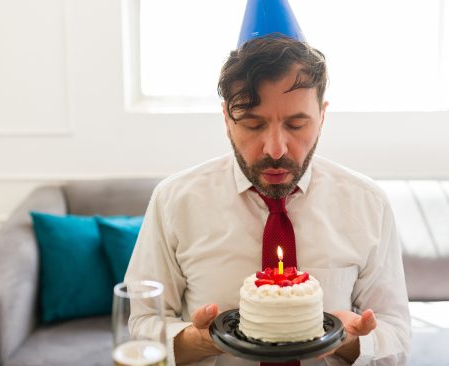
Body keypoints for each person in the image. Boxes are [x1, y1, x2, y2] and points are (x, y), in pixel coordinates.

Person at [125, 34, 411, 366]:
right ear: (226, 121)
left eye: (296, 124)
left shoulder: (368, 204)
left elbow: (398, 340)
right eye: (253, 124)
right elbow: (142, 326)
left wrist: (347, 342)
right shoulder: (174, 201)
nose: (275, 149)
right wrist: (200, 341)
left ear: (322, 116)